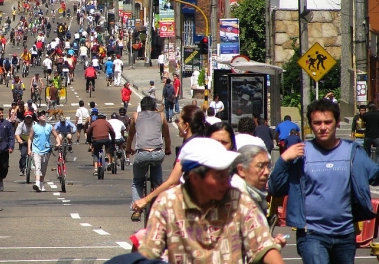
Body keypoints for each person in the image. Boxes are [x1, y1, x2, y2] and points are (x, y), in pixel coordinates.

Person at [138, 137, 284, 263]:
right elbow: (150, 250)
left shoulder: (238, 200)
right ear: (195, 178)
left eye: (227, 174)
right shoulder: (168, 203)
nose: (227, 182)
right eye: (219, 176)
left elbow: (264, 246)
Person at [269, 99, 379, 264]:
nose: (322, 127)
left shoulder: (352, 152)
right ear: (310, 124)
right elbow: (275, 188)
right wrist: (283, 160)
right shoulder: (300, 153)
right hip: (311, 234)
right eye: (317, 122)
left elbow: (375, 175)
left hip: (345, 234)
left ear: (337, 122)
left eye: (328, 122)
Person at [125, 97, 171, 221]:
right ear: (154, 106)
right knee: (158, 181)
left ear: (142, 106)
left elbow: (131, 134)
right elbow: (166, 134)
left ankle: (136, 210)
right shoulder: (161, 116)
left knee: (137, 181)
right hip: (157, 154)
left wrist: (128, 148)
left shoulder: (136, 116)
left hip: (142, 154)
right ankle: (162, 209)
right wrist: (168, 149)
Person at [28, 110, 61, 192]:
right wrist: (29, 149)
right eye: (41, 115)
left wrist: (58, 142)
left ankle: (41, 184)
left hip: (46, 150)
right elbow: (30, 138)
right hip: (36, 150)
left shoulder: (49, 127)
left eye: (44, 115)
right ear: (38, 118)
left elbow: (56, 136)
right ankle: (37, 183)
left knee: (43, 168)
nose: (43, 116)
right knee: (37, 167)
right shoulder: (34, 127)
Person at [15, 111, 35, 176]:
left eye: (29, 118)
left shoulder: (35, 124)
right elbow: (17, 134)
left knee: (37, 155)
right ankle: (22, 168)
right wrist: (19, 140)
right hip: (24, 141)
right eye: (27, 118)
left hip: (34, 141)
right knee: (23, 155)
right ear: (25, 118)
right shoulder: (21, 124)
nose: (28, 119)